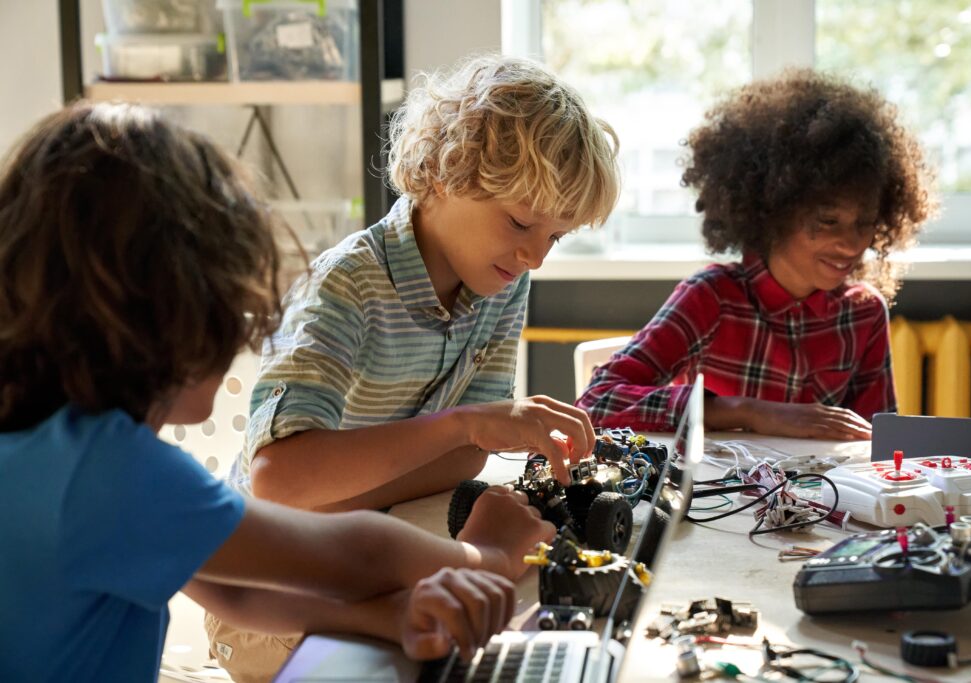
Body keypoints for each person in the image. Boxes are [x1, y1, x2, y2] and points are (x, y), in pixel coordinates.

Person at [0, 103, 556, 683]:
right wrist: (488, 555)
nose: (243, 334)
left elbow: (234, 593)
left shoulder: (41, 448)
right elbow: (358, 555)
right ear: (165, 314)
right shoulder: (111, 474)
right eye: (231, 303)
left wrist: (387, 616)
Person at [231, 54, 620, 514]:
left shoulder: (503, 284)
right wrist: (464, 424)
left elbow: (468, 458)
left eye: (554, 237)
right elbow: (278, 481)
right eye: (519, 223)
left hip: (368, 526)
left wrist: (342, 503)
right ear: (444, 173)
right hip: (268, 544)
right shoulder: (345, 283)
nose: (534, 258)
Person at [577, 68, 936, 440]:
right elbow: (596, 402)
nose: (851, 244)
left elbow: (878, 444)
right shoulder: (712, 297)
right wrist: (745, 410)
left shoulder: (863, 311)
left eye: (865, 223)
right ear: (775, 211)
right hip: (721, 480)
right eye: (828, 221)